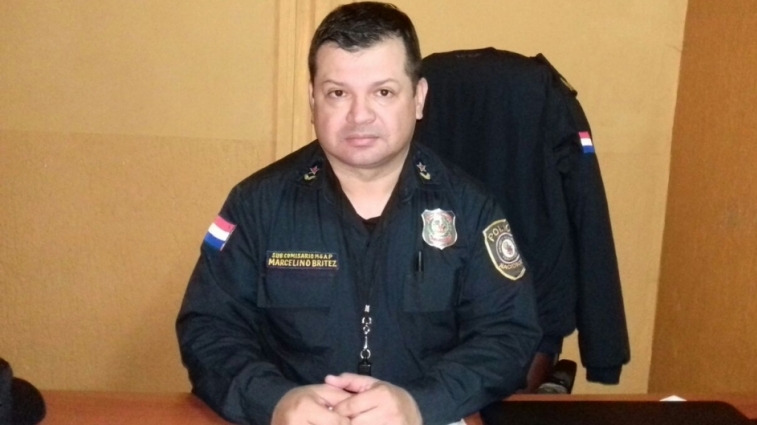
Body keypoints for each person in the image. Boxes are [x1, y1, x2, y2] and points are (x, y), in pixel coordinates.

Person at [176, 2, 541, 424]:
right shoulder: (257, 204)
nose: (359, 115)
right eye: (338, 93)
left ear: (418, 98)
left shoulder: (470, 208)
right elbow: (208, 327)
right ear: (312, 99)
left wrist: (421, 403)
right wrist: (273, 401)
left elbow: (508, 334)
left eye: (383, 92)